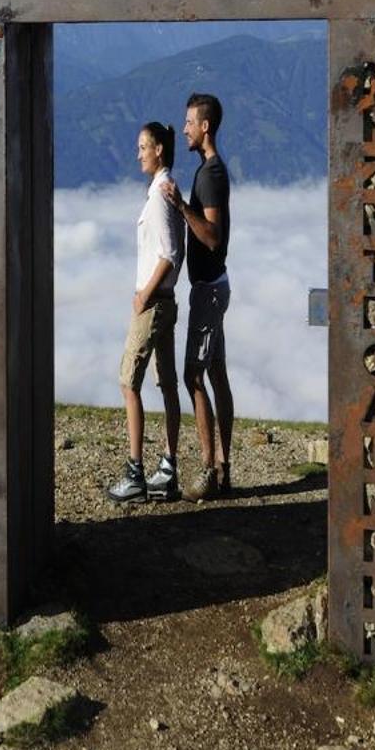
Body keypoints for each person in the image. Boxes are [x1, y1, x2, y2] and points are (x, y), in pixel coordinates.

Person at [106, 121, 185, 504]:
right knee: (167, 383)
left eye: (143, 147)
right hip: (165, 303)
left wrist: (143, 297)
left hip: (153, 304)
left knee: (128, 382)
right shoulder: (165, 192)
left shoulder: (158, 197)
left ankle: (135, 472)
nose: (138, 153)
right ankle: (168, 469)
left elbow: (170, 255)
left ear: (159, 151)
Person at [161, 92, 235, 499]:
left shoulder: (210, 175)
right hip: (215, 285)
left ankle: (209, 470)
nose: (186, 127)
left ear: (205, 126)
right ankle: (224, 466)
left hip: (207, 291)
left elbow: (211, 236)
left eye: (190, 122)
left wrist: (180, 206)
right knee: (218, 373)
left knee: (193, 374)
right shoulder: (210, 170)